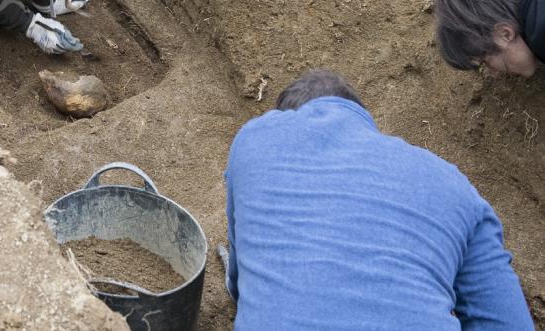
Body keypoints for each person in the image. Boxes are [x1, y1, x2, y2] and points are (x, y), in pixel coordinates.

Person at [223, 69, 533, 330]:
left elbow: (239, 279)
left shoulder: (255, 142)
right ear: (363, 120)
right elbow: (507, 321)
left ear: (289, 118)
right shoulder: (454, 184)